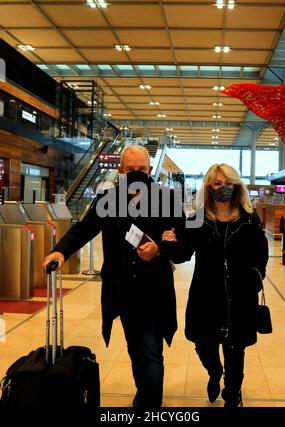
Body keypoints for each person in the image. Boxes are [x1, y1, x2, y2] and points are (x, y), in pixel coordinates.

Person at [43, 145, 185, 408]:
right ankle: (143, 392)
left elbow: (183, 243)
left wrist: (159, 249)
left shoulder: (167, 200)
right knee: (135, 348)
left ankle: (149, 404)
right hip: (122, 291)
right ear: (120, 171)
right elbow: (84, 230)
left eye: (141, 169)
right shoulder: (107, 200)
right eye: (130, 169)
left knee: (151, 351)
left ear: (150, 170)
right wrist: (60, 252)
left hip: (154, 291)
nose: (136, 174)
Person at [160, 163, 269, 407]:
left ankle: (232, 394)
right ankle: (214, 372)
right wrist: (168, 242)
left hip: (239, 296)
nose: (223, 188)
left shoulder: (249, 220)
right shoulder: (197, 220)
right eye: (218, 184)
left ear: (236, 186)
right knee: (204, 345)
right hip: (206, 296)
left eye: (228, 183)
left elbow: (261, 252)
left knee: (235, 349)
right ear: (209, 187)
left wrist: (256, 275)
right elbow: (182, 254)